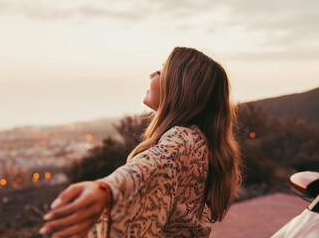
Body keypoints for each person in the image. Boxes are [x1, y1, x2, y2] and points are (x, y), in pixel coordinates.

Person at [39, 47, 242, 238]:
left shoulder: (183, 138)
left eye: (161, 71)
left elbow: (153, 164)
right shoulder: (198, 140)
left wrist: (107, 191)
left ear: (180, 87)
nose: (151, 75)